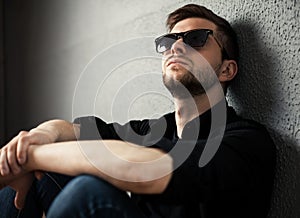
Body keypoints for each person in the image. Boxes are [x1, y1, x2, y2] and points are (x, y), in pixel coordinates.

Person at [0, 3, 276, 218]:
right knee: (42, 173)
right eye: (169, 42)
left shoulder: (246, 141)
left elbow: (144, 169)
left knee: (88, 192)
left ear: (227, 69)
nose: (176, 47)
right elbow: (66, 130)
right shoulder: (156, 129)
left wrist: (34, 157)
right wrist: (34, 142)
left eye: (195, 38)